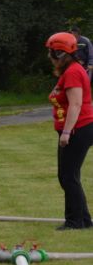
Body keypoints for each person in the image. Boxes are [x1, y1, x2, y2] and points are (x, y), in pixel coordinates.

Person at [45, 32, 93, 231]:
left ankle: (75, 222)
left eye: (51, 52)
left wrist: (66, 132)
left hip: (78, 129)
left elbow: (75, 104)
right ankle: (83, 219)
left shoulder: (73, 72)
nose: (48, 56)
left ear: (60, 52)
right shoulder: (71, 70)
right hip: (75, 129)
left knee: (68, 176)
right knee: (68, 175)